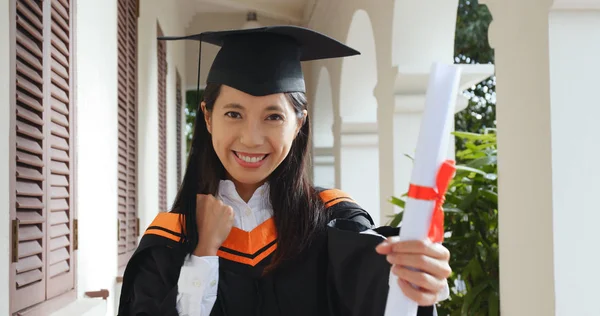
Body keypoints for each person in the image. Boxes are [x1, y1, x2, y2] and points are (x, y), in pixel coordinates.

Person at [117, 25, 452, 316]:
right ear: (207, 117)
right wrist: (203, 254)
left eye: (273, 116)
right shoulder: (170, 239)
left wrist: (418, 279)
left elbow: (390, 300)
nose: (251, 138)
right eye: (233, 114)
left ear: (299, 124)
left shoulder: (334, 222)